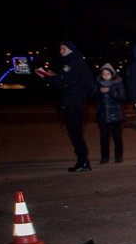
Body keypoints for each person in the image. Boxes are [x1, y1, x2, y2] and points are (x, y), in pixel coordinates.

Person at [35, 40, 96, 172]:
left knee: (74, 132)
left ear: (69, 49)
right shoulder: (77, 63)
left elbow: (61, 82)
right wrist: (55, 77)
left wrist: (45, 76)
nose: (60, 51)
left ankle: (83, 162)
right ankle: (83, 161)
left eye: (62, 48)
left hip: (73, 102)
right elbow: (70, 80)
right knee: (75, 132)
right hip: (77, 101)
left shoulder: (71, 64)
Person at [94, 63, 126, 164]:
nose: (106, 76)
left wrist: (111, 91)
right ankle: (104, 157)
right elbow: (93, 96)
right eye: (104, 74)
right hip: (103, 115)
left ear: (112, 74)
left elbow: (122, 97)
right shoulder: (98, 83)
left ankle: (118, 156)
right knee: (104, 137)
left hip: (116, 114)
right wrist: (99, 92)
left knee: (117, 137)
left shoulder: (118, 83)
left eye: (108, 74)